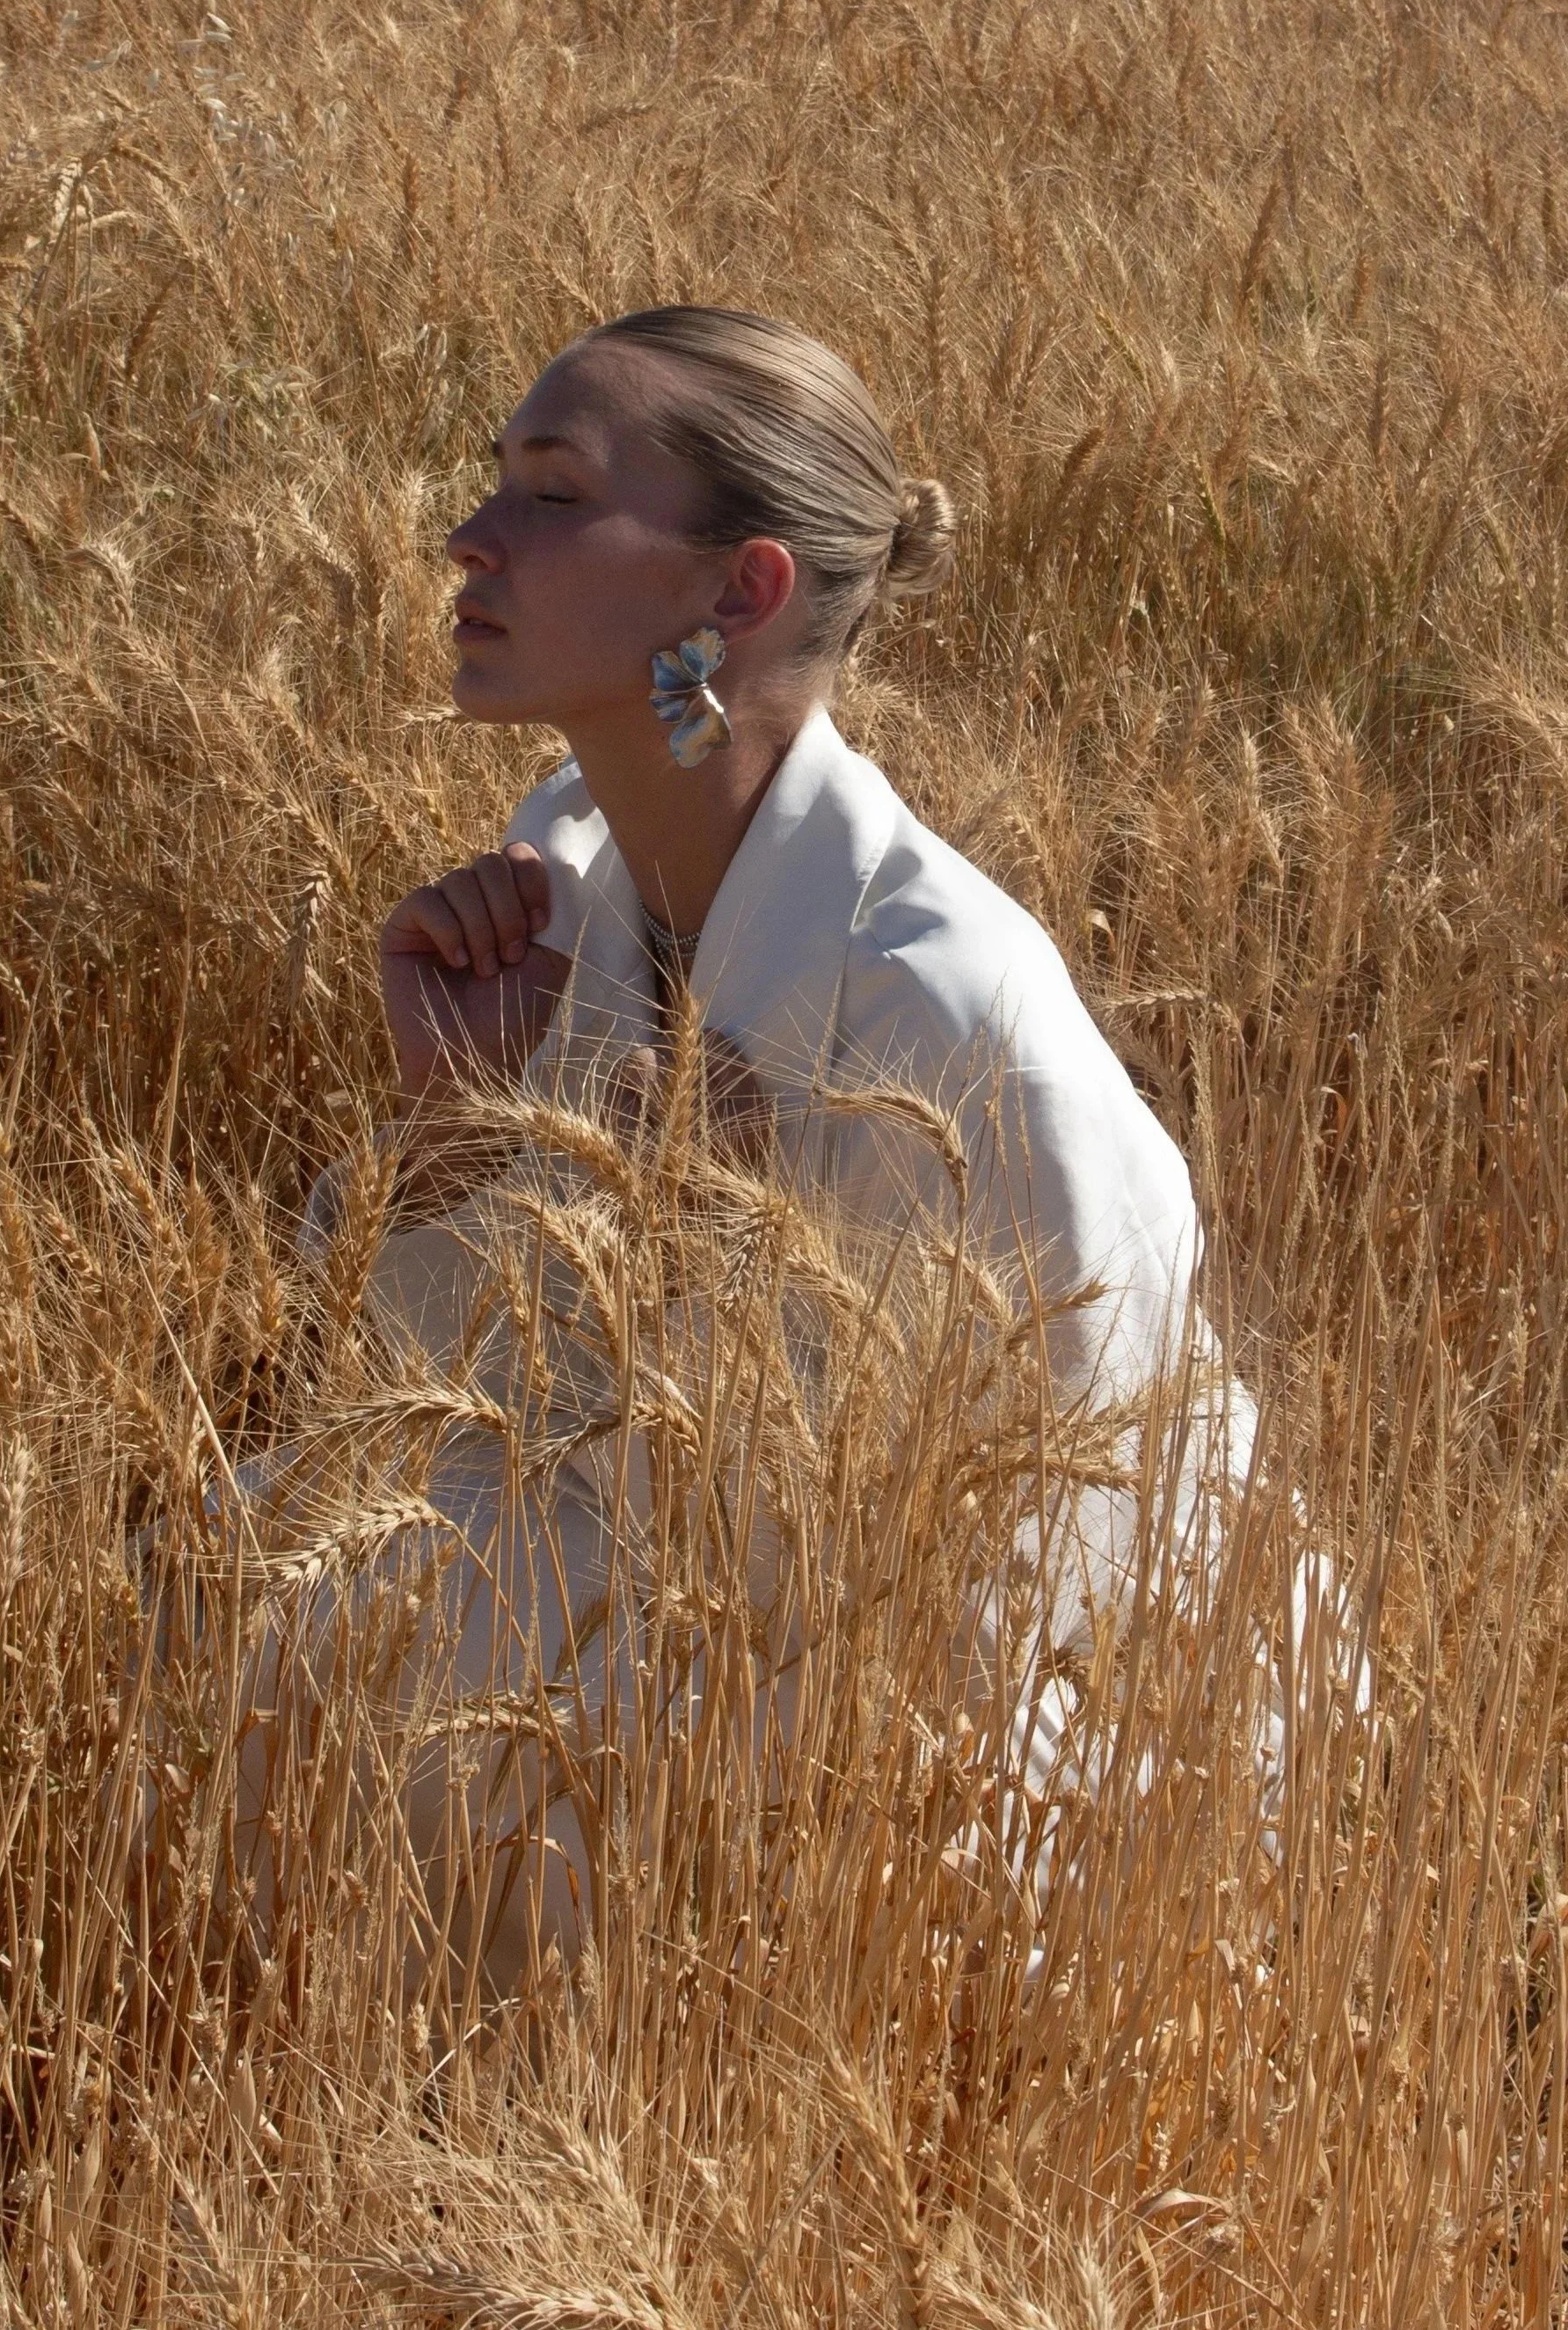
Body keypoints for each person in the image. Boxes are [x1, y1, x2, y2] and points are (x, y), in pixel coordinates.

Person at [231, 307, 1256, 1986]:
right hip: (652, 1599)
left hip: (950, 1723)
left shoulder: (956, 1019)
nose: (467, 537)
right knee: (235, 1574)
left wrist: (704, 1226)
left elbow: (1054, 1573)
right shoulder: (562, 864)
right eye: (494, 479)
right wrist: (448, 1122)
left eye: (551, 494)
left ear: (740, 591)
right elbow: (403, 1386)